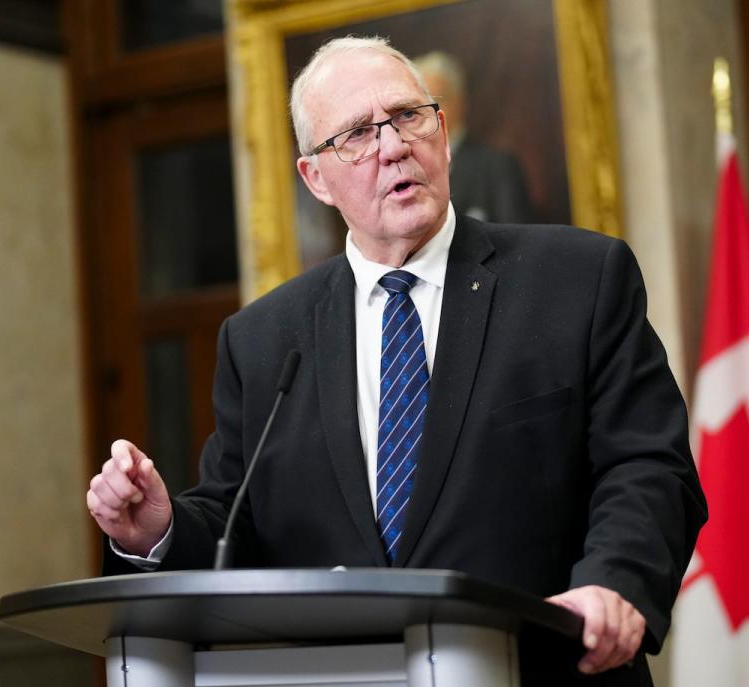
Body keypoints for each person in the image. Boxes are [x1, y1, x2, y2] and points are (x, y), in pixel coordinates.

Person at [86, 36, 706, 685]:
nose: (392, 146)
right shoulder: (264, 338)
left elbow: (647, 465)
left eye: (408, 116)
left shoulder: (577, 279)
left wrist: (614, 585)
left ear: (441, 129)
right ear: (315, 178)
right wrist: (154, 530)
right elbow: (233, 527)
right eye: (355, 133)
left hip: (549, 667)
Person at [414, 50, 534, 223]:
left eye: (437, 100)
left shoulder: (497, 167)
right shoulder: (407, 169)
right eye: (421, 104)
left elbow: (516, 239)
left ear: (459, 101)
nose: (429, 111)